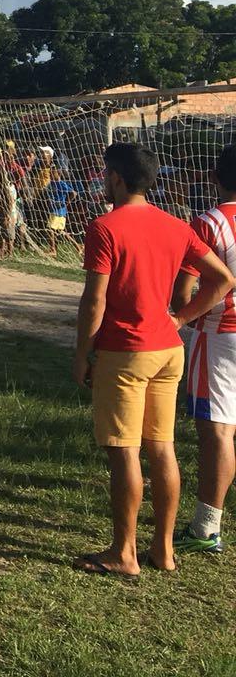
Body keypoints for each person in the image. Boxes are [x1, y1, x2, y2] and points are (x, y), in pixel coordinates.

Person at [71, 142, 235, 577]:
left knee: (123, 451)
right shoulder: (177, 225)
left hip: (125, 351)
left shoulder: (104, 226)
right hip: (168, 350)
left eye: (105, 173)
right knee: (162, 447)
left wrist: (82, 353)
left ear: (117, 178)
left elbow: (95, 301)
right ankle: (163, 551)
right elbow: (223, 279)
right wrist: (181, 318)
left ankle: (124, 553)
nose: (103, 180)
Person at [175, 145, 236, 556]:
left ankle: (205, 526)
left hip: (219, 332)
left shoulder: (210, 221)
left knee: (216, 429)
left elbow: (185, 284)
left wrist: (182, 318)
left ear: (214, 177)